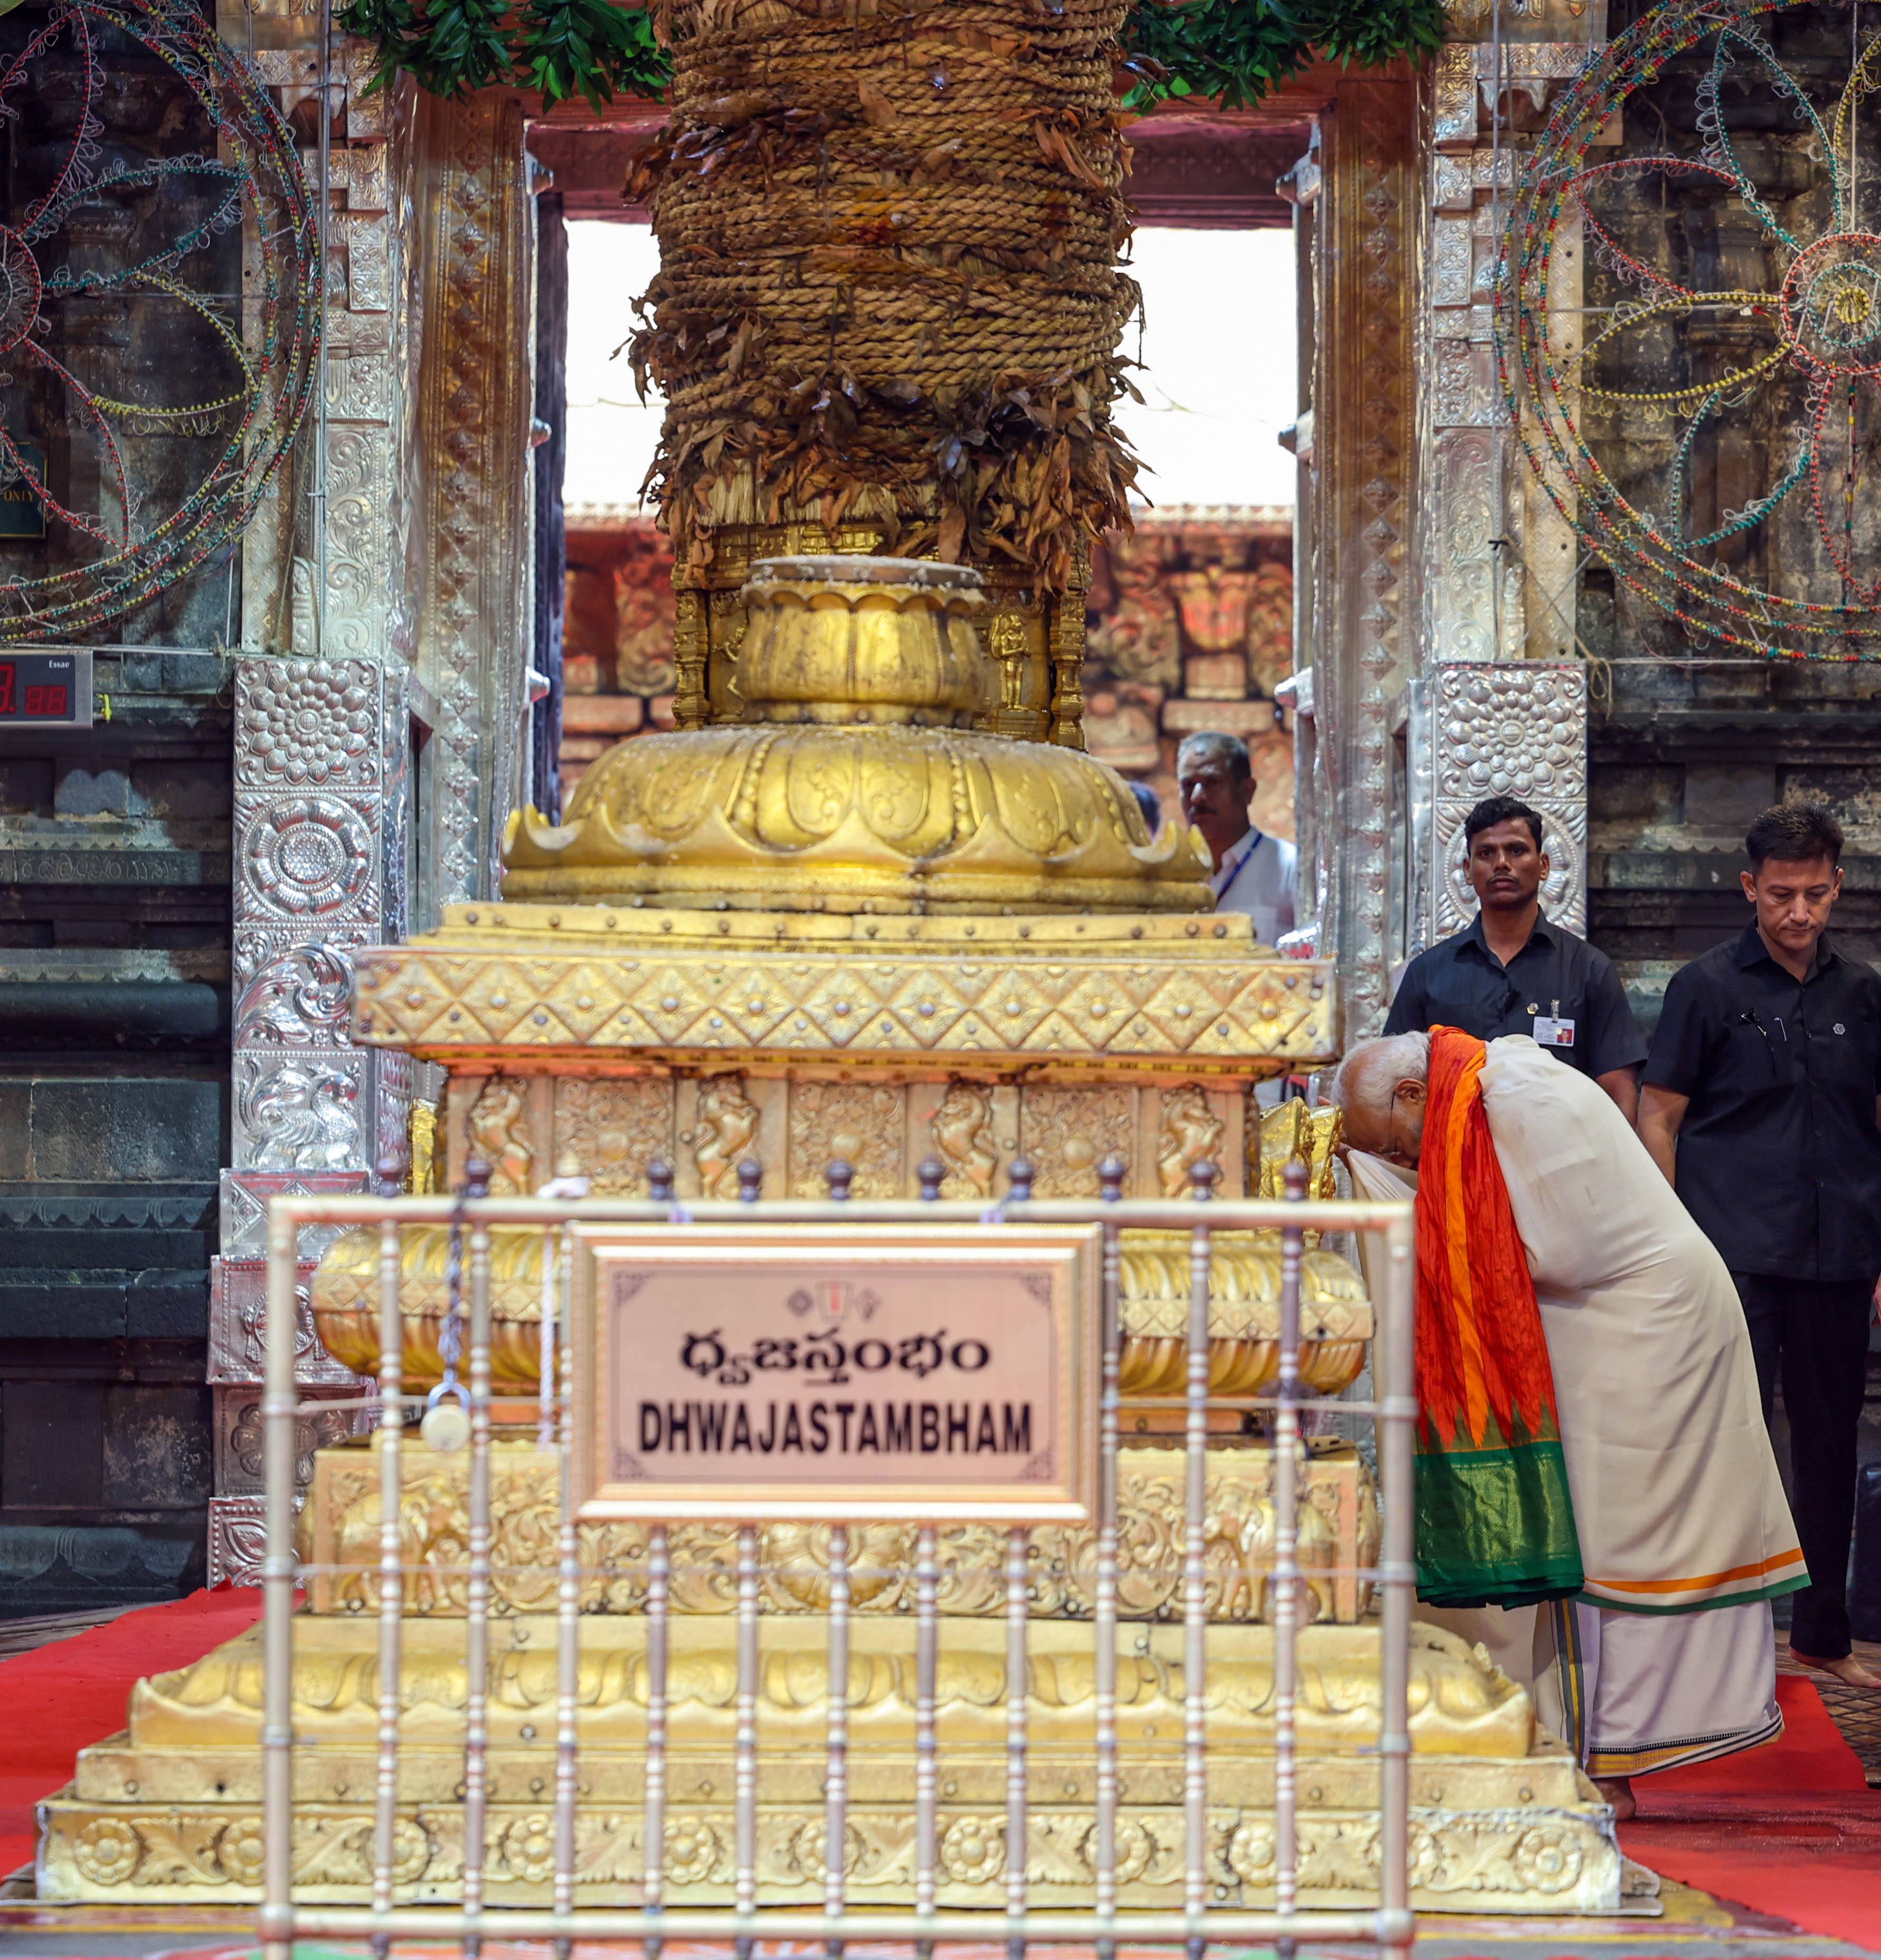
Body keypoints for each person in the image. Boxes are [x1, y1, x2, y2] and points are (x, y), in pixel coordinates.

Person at [1336, 1028, 1803, 1818]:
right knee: (1580, 1546)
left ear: (1415, 1095)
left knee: (1617, 1549)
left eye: (1396, 1146)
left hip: (1651, 1336)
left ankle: (1607, 1762)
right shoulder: (1477, 1094)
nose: (1407, 1164)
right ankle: (1566, 1745)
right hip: (1595, 1337)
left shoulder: (1523, 1096)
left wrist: (1417, 1222)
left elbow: (1561, 1248)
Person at [1639, 803, 1881, 1690]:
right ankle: (1710, 1647)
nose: (1797, 912)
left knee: (1827, 1443)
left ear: (1836, 887)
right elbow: (1658, 1115)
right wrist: (1670, 1243)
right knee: (1719, 1437)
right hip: (1727, 1250)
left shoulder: (1861, 993)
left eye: (1814, 894)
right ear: (1748, 887)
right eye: (1780, 894)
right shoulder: (1703, 987)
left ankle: (1821, 1634)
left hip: (1839, 1248)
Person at [1383, 795, 1646, 1121]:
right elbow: (1394, 1085)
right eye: (1486, 853)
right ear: (1468, 871)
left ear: (1544, 865)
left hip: (1561, 1159)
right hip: (1454, 1162)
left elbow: (1619, 1092)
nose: (1501, 863)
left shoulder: (1588, 969)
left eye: (1517, 850)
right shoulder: (1428, 973)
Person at [1175, 731, 1296, 946]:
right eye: (1188, 785)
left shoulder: (1291, 867)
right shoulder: (1172, 873)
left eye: (1212, 782)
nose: (1197, 797)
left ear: (1247, 791)